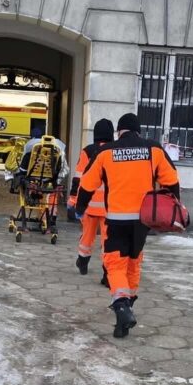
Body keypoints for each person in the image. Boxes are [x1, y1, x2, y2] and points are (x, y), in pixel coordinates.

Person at [77, 112, 180, 338]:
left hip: (116, 219)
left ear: (119, 131)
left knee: (114, 264)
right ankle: (127, 310)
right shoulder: (153, 150)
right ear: (138, 131)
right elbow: (171, 180)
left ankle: (122, 306)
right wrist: (174, 206)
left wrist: (79, 208)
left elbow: (86, 184)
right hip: (143, 221)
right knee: (134, 263)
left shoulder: (106, 152)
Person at [69, 119, 114, 281]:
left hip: (88, 205)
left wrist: (73, 200)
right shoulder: (114, 152)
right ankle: (107, 273)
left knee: (87, 237)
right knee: (108, 241)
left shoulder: (87, 152)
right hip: (109, 207)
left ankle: (82, 262)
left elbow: (78, 178)